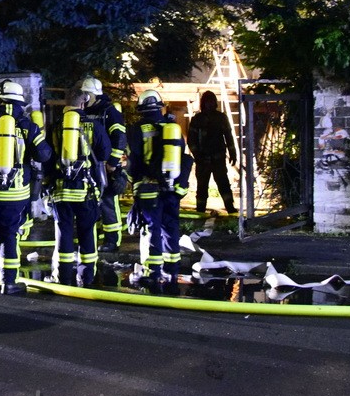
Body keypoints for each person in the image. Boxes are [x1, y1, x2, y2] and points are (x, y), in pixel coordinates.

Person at [0, 80, 52, 295]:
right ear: (20, 102)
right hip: (16, 194)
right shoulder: (27, 125)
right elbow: (44, 155)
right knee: (10, 235)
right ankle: (9, 282)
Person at [45, 87, 111, 287]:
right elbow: (104, 152)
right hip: (86, 191)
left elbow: (47, 158)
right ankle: (86, 277)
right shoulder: (94, 125)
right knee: (87, 232)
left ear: (66, 103)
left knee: (63, 232)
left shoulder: (57, 126)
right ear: (83, 104)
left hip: (61, 190)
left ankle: (62, 276)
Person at [126, 89, 192, 287]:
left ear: (141, 108)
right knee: (171, 227)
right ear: (159, 106)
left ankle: (153, 271)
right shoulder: (172, 127)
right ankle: (172, 271)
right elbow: (182, 154)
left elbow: (133, 161)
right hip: (172, 188)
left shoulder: (137, 129)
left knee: (152, 228)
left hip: (148, 187)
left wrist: (133, 183)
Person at [80, 77, 128, 253]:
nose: (84, 97)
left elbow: (120, 137)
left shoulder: (109, 111)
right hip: (88, 166)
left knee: (108, 202)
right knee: (90, 203)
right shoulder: (83, 112)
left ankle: (112, 240)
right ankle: (91, 238)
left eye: (87, 93)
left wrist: (113, 164)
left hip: (104, 166)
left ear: (95, 94)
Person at [187, 90, 237, 214]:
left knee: (223, 184)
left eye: (211, 101)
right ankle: (200, 210)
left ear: (214, 103)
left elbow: (228, 136)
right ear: (203, 103)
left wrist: (233, 153)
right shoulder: (197, 119)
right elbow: (191, 140)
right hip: (203, 159)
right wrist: (197, 156)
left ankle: (230, 207)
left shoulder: (221, 118)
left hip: (218, 159)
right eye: (207, 102)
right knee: (202, 186)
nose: (209, 104)